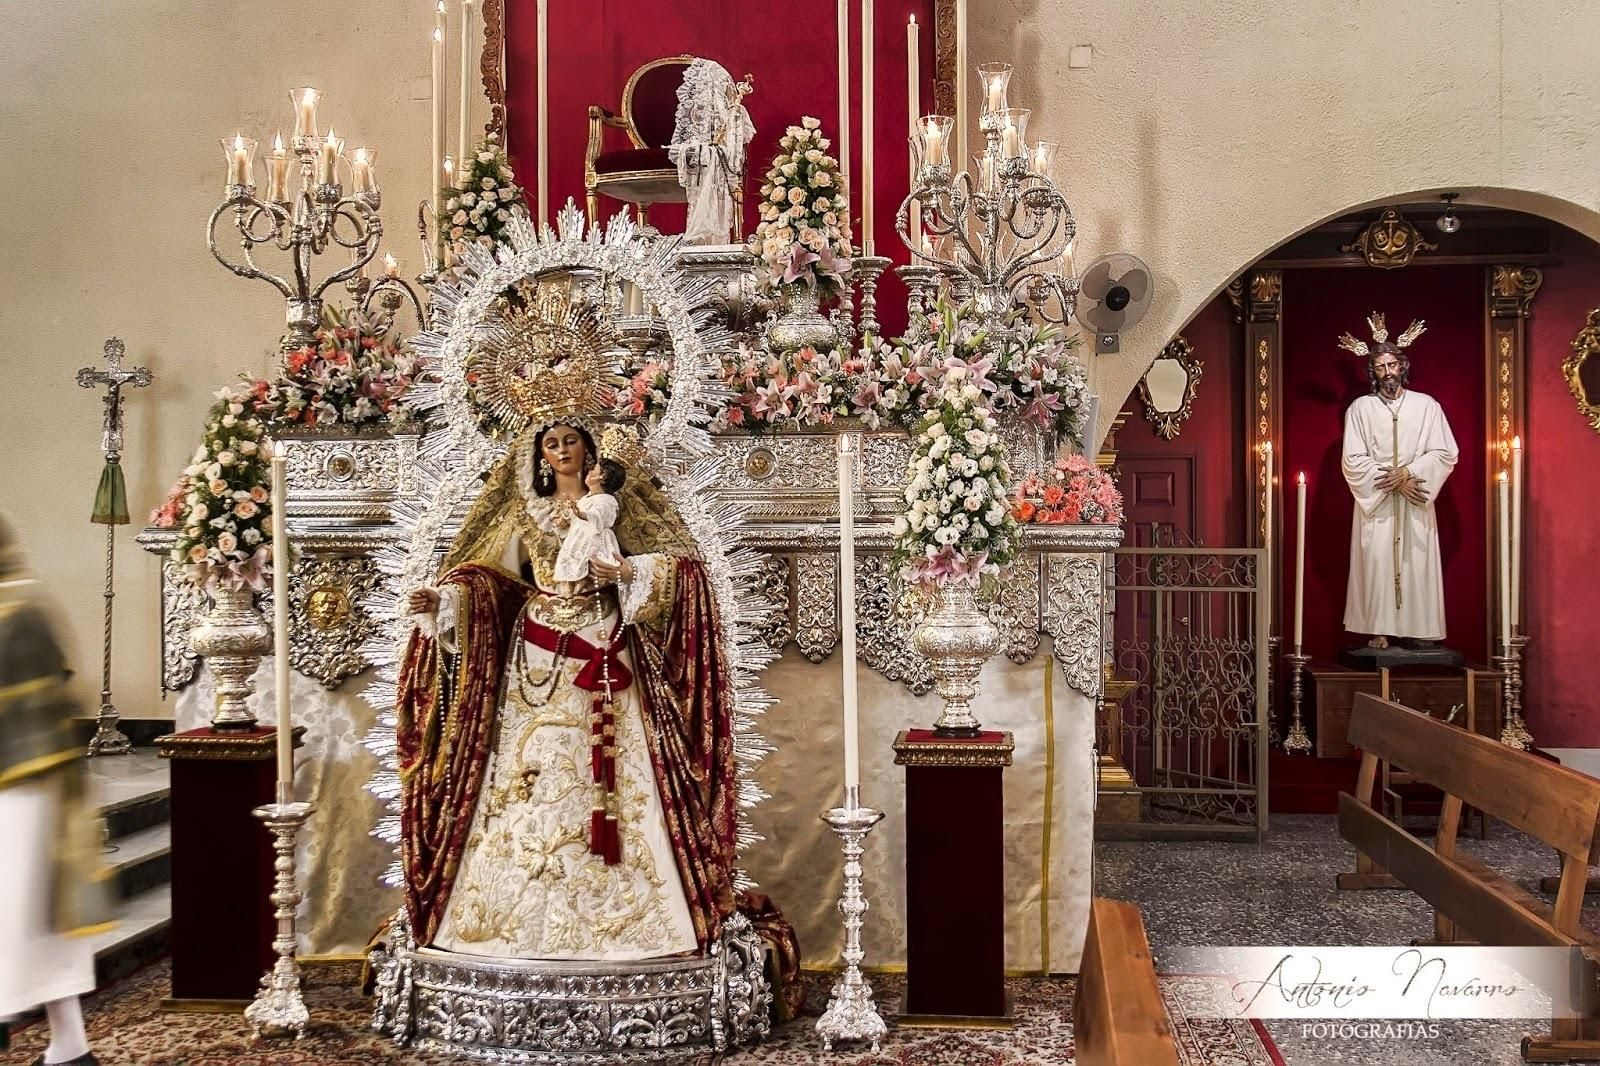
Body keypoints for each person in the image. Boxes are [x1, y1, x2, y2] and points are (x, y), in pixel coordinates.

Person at [397, 419, 751, 960]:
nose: (562, 451)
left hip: (605, 642)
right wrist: (445, 602)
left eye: (570, 441)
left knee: (614, 767)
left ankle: (636, 922)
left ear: (589, 448)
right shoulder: (523, 513)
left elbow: (684, 569)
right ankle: (505, 926)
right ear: (539, 455)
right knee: (529, 775)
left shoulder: (619, 503)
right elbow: (486, 577)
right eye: (550, 443)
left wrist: (630, 572)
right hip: (536, 655)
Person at [0, 517, 111, 1066]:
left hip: (17, 788)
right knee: (39, 920)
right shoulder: (29, 602)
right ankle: (69, 1045)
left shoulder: (12, 608)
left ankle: (69, 1046)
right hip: (40, 782)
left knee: (27, 917)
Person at [1337, 313, 1459, 649]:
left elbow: (1444, 451)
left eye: (1392, 365)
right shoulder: (1360, 409)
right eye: (1380, 367)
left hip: (1417, 499)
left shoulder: (1426, 406)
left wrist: (1411, 474)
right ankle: (1378, 628)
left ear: (1403, 366)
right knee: (1376, 562)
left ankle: (1418, 630)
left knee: (1416, 562)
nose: (1388, 372)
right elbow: (1353, 459)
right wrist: (1393, 480)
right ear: (1372, 371)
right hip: (1376, 504)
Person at [552, 456, 625, 583]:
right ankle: (571, 585)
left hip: (594, 536)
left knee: (586, 561)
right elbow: (575, 516)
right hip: (579, 535)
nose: (589, 472)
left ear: (602, 476)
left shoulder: (607, 500)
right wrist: (565, 519)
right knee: (570, 558)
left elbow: (598, 517)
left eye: (594, 470)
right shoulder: (587, 498)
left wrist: (583, 515)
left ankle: (582, 581)